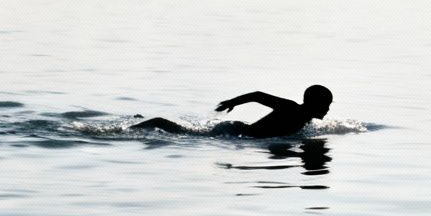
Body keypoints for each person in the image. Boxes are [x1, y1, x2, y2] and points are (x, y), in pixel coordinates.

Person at [132, 85, 334, 138]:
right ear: (314, 103)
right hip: (235, 132)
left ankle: (148, 121)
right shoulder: (292, 108)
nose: (328, 109)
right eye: (326, 104)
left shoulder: (306, 119)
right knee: (187, 134)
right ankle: (151, 122)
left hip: (240, 133)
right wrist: (232, 102)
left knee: (189, 132)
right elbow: (257, 95)